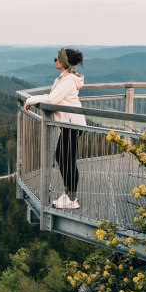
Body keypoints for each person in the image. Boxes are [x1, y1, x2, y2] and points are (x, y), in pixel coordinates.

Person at [23, 48, 85, 209]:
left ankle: (71, 198)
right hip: (70, 124)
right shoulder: (64, 78)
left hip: (72, 125)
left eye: (57, 59)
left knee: (66, 159)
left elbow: (52, 99)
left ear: (64, 62)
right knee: (64, 157)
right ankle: (70, 196)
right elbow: (53, 98)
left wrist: (31, 100)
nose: (55, 60)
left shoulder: (68, 80)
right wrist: (33, 100)